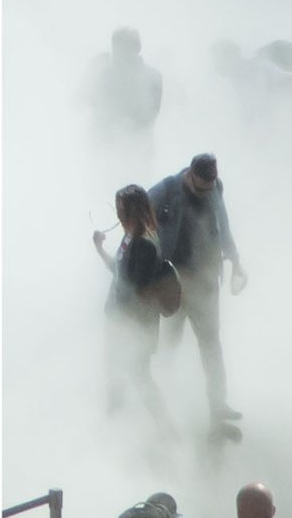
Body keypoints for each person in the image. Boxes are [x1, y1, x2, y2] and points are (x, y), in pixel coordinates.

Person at [148, 153, 246, 430]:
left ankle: (218, 404)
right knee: (169, 343)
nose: (206, 193)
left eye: (209, 188)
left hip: (205, 281)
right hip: (174, 283)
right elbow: (140, 216)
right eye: (201, 188)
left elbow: (223, 226)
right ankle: (160, 405)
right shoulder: (166, 189)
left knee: (211, 345)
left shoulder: (216, 188)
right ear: (190, 175)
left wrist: (235, 260)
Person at [93, 185, 174, 436]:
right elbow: (120, 274)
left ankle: (166, 429)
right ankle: (115, 422)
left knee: (139, 377)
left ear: (133, 211)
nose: (117, 215)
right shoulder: (130, 237)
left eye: (121, 210)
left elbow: (138, 291)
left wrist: (123, 328)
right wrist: (100, 250)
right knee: (120, 374)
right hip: (121, 322)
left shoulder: (144, 244)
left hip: (134, 326)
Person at [87, 27, 163, 135]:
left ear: (136, 48)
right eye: (115, 47)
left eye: (123, 47)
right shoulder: (104, 75)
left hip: (138, 144)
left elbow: (151, 115)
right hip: (105, 142)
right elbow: (93, 106)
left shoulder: (152, 77)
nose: (117, 53)